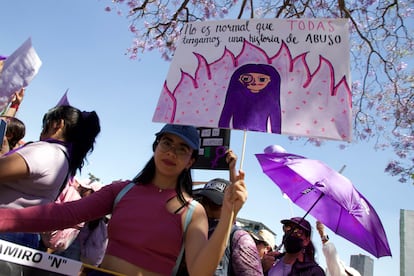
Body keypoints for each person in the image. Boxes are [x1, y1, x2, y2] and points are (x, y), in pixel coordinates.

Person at [0, 123, 248, 275]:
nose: (171, 152)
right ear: (156, 146)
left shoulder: (194, 211)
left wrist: (228, 214)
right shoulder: (121, 190)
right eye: (166, 143)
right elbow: (62, 214)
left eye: (182, 149)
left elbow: (200, 272)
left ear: (191, 161)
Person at [0, 105, 101, 249]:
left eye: (46, 122)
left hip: (6, 232)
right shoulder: (62, 157)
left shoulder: (47, 152)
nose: (42, 128)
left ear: (58, 124)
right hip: (18, 235)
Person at [194, 177, 263, 275]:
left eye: (214, 204)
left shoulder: (239, 238)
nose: (207, 208)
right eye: (204, 202)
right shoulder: (192, 230)